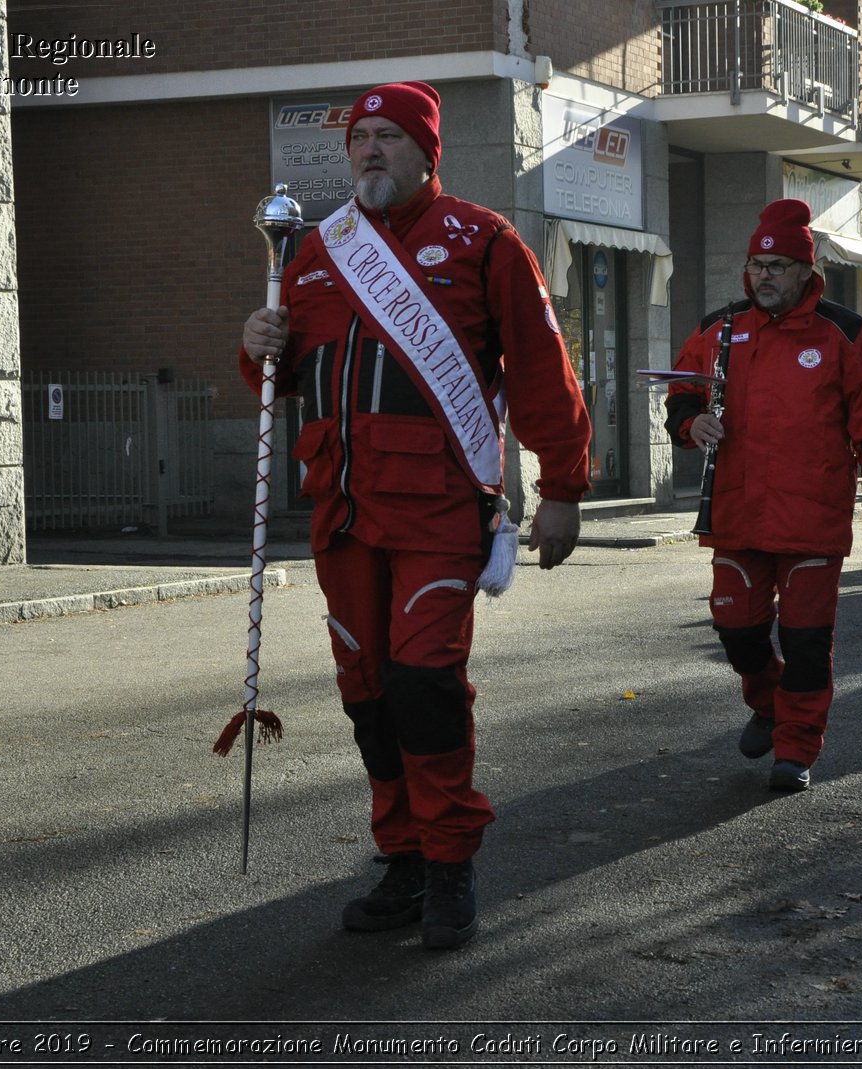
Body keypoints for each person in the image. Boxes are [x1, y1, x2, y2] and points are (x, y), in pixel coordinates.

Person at [238, 81, 592, 949]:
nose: (370, 151)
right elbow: (281, 384)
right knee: (367, 694)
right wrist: (256, 350)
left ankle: (449, 861)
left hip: (436, 507)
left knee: (425, 684)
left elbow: (544, 373)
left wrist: (561, 489)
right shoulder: (318, 251)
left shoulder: (485, 242)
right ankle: (400, 858)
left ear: (428, 152)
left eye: (390, 137)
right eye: (360, 139)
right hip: (344, 513)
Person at [663, 199, 862, 793]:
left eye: (776, 265)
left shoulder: (845, 333)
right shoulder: (719, 329)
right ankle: (767, 701)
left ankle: (796, 748)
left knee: (805, 641)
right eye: (756, 264)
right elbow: (680, 395)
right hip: (736, 511)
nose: (764, 275)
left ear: (805, 271)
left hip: (811, 516)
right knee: (735, 628)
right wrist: (690, 423)